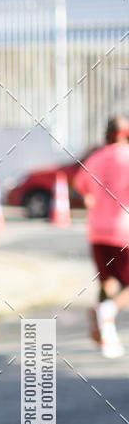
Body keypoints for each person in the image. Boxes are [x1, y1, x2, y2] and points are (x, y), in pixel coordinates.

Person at [73, 115, 129, 357]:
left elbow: (79, 186)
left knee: (109, 280)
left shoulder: (94, 158)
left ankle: (103, 332)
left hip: (97, 230)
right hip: (124, 229)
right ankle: (108, 311)